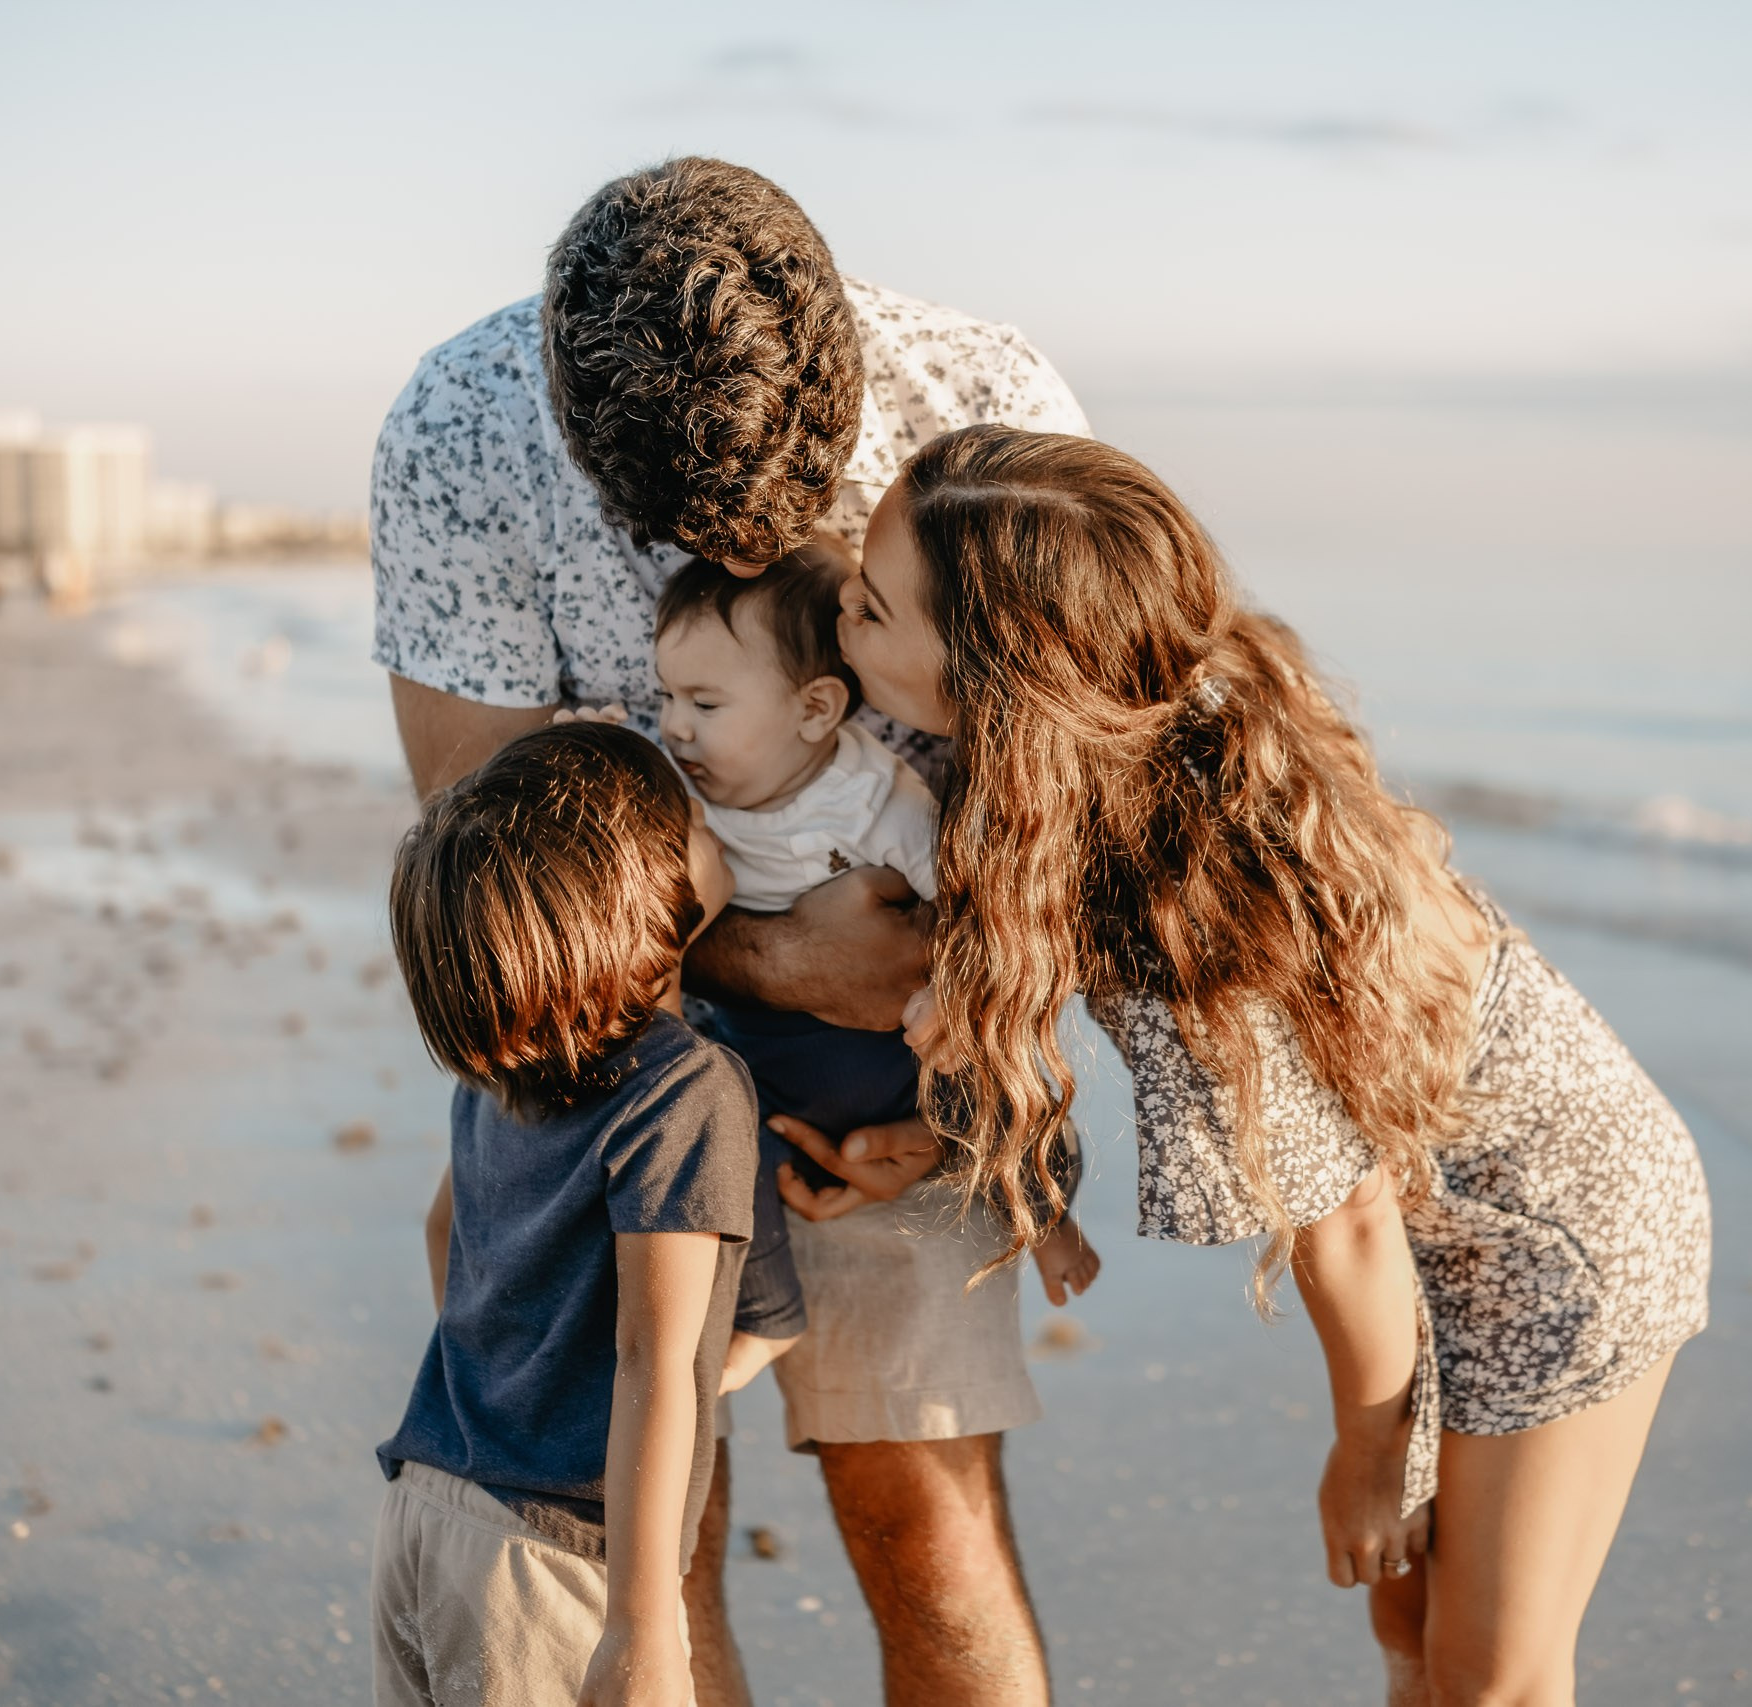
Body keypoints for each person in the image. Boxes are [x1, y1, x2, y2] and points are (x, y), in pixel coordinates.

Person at [853, 425, 1715, 1707]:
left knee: (1494, 1677)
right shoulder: (1122, 721)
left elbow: (1350, 1222)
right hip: (1438, 1222)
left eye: (869, 609)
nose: (838, 623)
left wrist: (1366, 1450)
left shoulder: (1188, 901)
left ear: (999, 676)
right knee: (1411, 1631)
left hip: (1563, 1237)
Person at [371, 156, 1085, 1705]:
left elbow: (1069, 814)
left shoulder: (981, 400)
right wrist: (769, 960)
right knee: (643, 1526)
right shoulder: (462, 434)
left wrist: (978, 1081)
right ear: (570, 425)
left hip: (897, 1046)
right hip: (605, 1053)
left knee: (928, 1527)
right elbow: (491, 863)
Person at [371, 721, 760, 1707]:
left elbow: (440, 1233)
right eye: (696, 831)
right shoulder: (687, 1090)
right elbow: (653, 1360)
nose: (719, 838)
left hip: (427, 1508)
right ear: (652, 903)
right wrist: (641, 1622)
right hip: (548, 1564)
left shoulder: (502, 1064)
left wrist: (508, 1395)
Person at [650, 544, 1102, 1369]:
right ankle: (767, 1309)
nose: (675, 724)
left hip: (892, 1057)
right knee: (713, 1135)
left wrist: (950, 999)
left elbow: (976, 911)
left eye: (704, 703)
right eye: (666, 696)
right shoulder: (684, 790)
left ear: (816, 709)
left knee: (1008, 1094)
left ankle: (1045, 1212)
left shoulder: (874, 798)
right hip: (767, 1057)